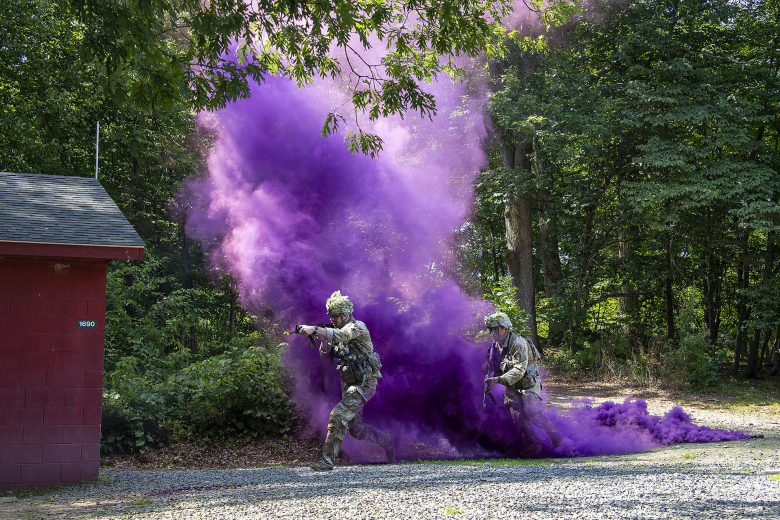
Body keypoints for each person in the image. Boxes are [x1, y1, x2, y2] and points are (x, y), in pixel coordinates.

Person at [297, 290, 395, 471]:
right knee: (356, 430)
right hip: (349, 385)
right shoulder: (336, 331)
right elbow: (326, 358)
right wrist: (323, 340)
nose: (333, 319)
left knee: (338, 415)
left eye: (336, 316)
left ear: (346, 314)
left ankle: (326, 461)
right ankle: (386, 439)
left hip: (365, 384)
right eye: (331, 316)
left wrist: (315, 329)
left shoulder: (357, 327)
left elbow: (342, 335)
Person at [483, 311, 561, 456]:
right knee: (516, 412)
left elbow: (519, 369)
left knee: (533, 414)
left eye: (496, 328)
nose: (492, 332)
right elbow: (494, 361)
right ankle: (532, 444)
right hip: (512, 384)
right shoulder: (495, 345)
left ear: (505, 328)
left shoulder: (518, 343)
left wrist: (497, 380)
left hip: (528, 383)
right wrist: (488, 364)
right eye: (491, 329)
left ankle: (553, 431)